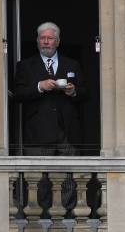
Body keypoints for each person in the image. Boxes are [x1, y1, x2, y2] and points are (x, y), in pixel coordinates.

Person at [13, 22, 86, 156]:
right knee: (38, 176)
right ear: (37, 41)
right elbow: (17, 94)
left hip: (68, 133)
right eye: (42, 38)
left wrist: (73, 91)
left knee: (72, 175)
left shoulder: (72, 64)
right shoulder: (25, 65)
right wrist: (40, 86)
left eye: (50, 38)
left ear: (57, 42)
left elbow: (85, 94)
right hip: (38, 134)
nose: (45, 42)